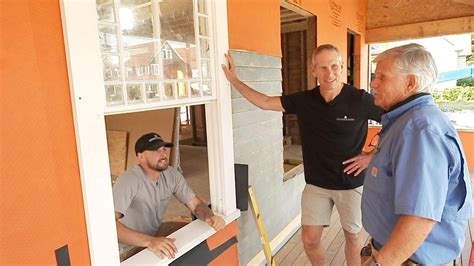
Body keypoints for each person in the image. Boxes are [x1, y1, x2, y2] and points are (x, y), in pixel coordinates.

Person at [222, 44, 384, 265]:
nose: (329, 73)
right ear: (313, 70)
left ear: (342, 66)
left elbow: (395, 122)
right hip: (317, 183)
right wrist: (234, 81)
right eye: (323, 67)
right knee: (309, 239)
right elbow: (266, 102)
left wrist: (372, 155)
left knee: (353, 236)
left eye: (334, 66)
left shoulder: (360, 99)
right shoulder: (305, 100)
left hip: (351, 182)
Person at [361, 43, 472, 265]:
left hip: (405, 259)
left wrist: (380, 262)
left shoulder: (419, 129)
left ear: (410, 83)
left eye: (382, 77)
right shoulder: (407, 121)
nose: (373, 83)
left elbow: (419, 216)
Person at [113, 132, 225, 261]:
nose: (163, 154)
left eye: (164, 149)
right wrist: (150, 242)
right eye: (156, 150)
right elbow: (109, 226)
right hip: (129, 246)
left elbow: (195, 204)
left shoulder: (171, 174)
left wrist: (210, 217)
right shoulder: (128, 180)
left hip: (154, 233)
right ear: (141, 156)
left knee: (193, 234)